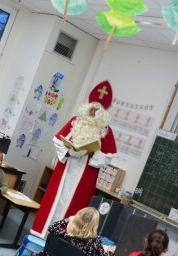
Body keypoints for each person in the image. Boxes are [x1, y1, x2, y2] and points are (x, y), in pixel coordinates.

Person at [31, 80, 117, 239]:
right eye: (91, 108)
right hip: (66, 169)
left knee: (75, 208)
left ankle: (62, 241)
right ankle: (42, 235)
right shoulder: (75, 121)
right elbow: (57, 139)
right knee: (54, 201)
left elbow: (108, 157)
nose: (92, 112)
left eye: (96, 110)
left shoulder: (105, 131)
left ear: (101, 113)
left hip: (85, 176)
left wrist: (91, 154)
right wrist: (69, 153)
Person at [38, 207, 114, 256]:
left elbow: (51, 227)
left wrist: (67, 220)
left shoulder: (68, 234)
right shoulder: (95, 241)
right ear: (94, 224)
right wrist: (110, 252)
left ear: (77, 218)